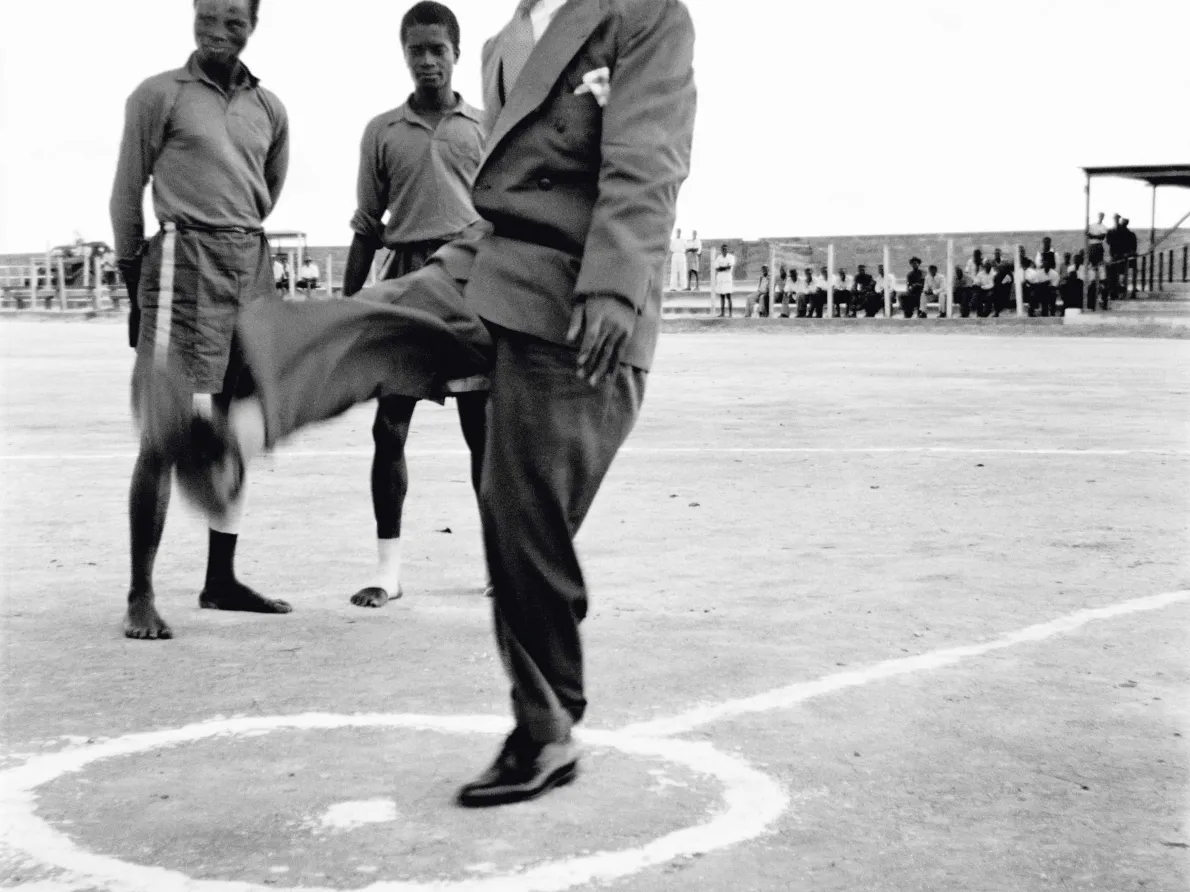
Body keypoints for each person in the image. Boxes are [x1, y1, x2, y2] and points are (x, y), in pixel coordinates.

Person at [156, 0, 697, 807]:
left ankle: (546, 730)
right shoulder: (505, 38)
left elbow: (647, 160)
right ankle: (235, 436)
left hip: (581, 292)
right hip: (491, 255)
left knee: (518, 510)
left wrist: (619, 287)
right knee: (379, 317)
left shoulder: (646, 15)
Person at [109, 0, 291, 640]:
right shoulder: (158, 95)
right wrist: (137, 283)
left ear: (252, 26)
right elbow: (125, 192)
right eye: (208, 17)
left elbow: (266, 185)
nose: (219, 31)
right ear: (193, 15)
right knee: (161, 433)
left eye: (233, 21)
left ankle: (221, 580)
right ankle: (141, 593)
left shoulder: (270, 109)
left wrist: (242, 241)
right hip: (180, 263)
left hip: (249, 262)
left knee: (237, 423)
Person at [343, 1, 490, 608]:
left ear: (456, 52)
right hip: (405, 284)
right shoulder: (382, 131)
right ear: (404, 55)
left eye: (438, 49)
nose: (427, 61)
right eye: (415, 50)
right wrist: (348, 306)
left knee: (482, 434)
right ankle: (388, 572)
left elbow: (505, 218)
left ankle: (498, 568)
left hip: (466, 284)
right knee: (389, 429)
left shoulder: (485, 125)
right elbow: (366, 225)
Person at [713, 243, 735, 316]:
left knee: (728, 295)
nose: (724, 250)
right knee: (722, 295)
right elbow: (717, 269)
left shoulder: (730, 257)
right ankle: (722, 313)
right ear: (721, 250)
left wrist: (722, 268)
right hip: (720, 278)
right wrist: (724, 268)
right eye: (723, 249)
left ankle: (730, 313)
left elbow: (729, 267)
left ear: (727, 250)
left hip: (727, 278)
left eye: (725, 249)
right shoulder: (719, 257)